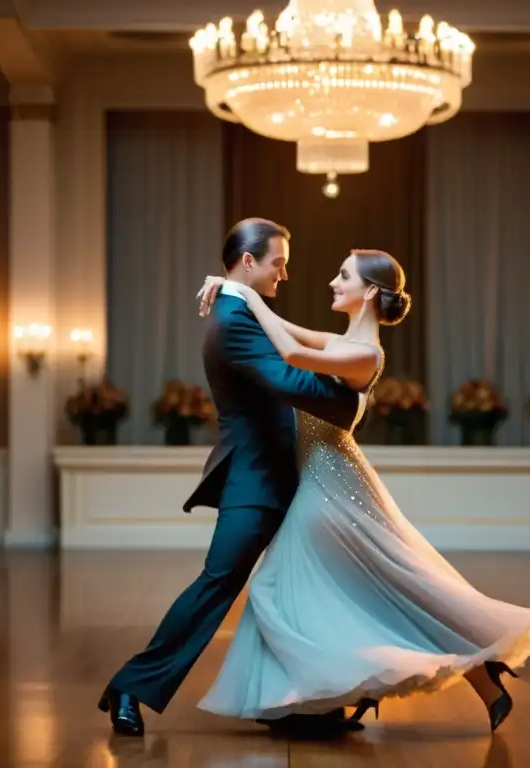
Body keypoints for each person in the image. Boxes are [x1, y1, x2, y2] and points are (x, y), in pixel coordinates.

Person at [193, 249, 530, 733]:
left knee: (303, 588)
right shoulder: (343, 342)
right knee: (363, 591)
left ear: (371, 293)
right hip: (323, 481)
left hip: (333, 485)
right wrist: (234, 287)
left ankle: (319, 697)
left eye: (343, 276)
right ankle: (322, 700)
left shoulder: (365, 353)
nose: (333, 283)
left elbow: (291, 354)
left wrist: (244, 293)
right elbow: (282, 326)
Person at [98, 218, 364, 737]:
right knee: (218, 584)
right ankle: (129, 687)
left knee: (291, 589)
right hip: (255, 478)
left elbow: (293, 350)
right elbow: (287, 378)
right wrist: (355, 396)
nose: (284, 275)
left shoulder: (241, 308)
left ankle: (292, 703)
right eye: (277, 264)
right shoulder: (234, 319)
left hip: (278, 475)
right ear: (248, 262)